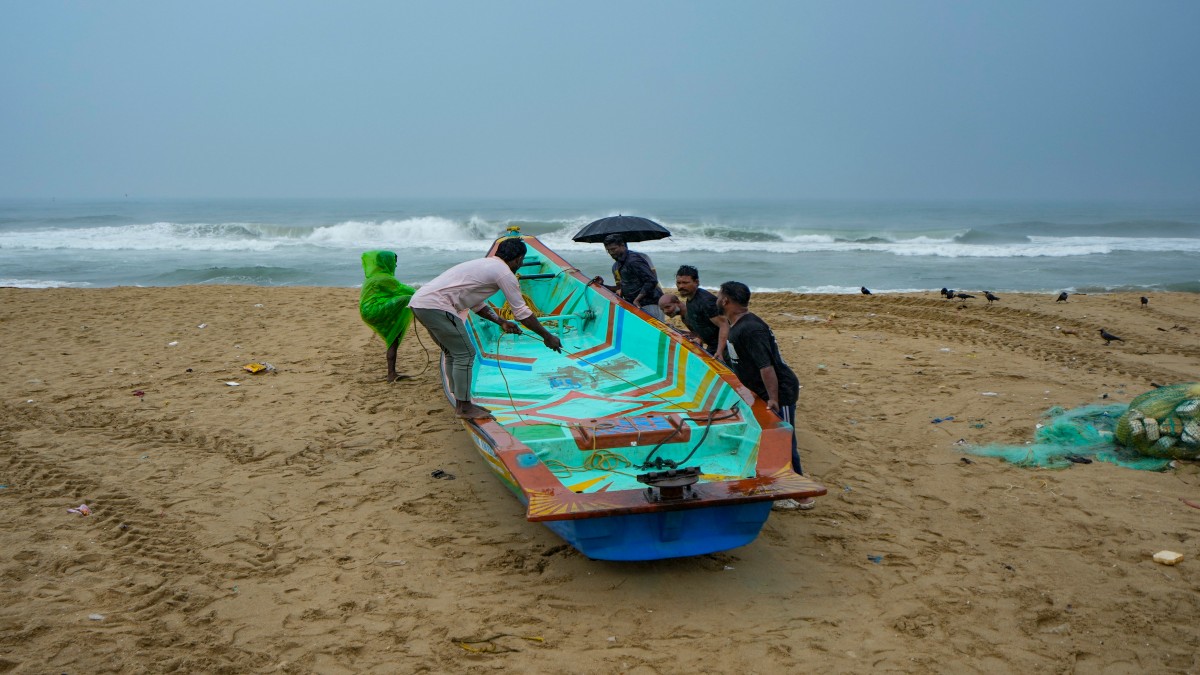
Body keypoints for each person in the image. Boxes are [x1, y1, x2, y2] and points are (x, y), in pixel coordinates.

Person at [410, 238, 563, 419]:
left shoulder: (485, 265)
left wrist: (501, 322)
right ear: (518, 258)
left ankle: (458, 397)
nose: (520, 265)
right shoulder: (504, 273)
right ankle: (464, 407)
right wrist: (547, 336)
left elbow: (477, 304)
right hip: (437, 305)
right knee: (465, 354)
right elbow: (521, 312)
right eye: (521, 261)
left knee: (453, 352)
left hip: (420, 302)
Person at [716, 280, 813, 509]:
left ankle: (802, 496)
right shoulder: (737, 325)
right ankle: (780, 485)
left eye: (719, 295)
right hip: (761, 392)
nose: (717, 299)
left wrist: (774, 399)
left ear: (726, 300)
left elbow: (766, 367)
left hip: (780, 392)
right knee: (770, 441)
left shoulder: (750, 328)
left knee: (785, 441)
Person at [358, 250, 417, 383]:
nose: (395, 266)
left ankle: (391, 373)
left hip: (369, 310)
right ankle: (391, 373)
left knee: (394, 336)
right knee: (409, 298)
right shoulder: (384, 278)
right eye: (394, 262)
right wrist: (428, 292)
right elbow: (405, 290)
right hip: (374, 310)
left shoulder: (374, 277)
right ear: (386, 262)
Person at [589, 233, 664, 320]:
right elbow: (621, 288)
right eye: (608, 250)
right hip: (636, 306)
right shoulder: (618, 265)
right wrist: (602, 285)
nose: (611, 253)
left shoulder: (633, 260)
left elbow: (652, 281)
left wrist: (637, 299)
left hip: (650, 304)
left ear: (622, 245)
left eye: (613, 249)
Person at [670, 265, 728, 359]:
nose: (681, 286)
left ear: (696, 282)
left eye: (685, 283)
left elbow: (724, 324)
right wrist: (699, 338)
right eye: (678, 283)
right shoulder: (690, 299)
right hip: (712, 345)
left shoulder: (706, 301)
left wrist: (720, 351)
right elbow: (705, 323)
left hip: (725, 348)